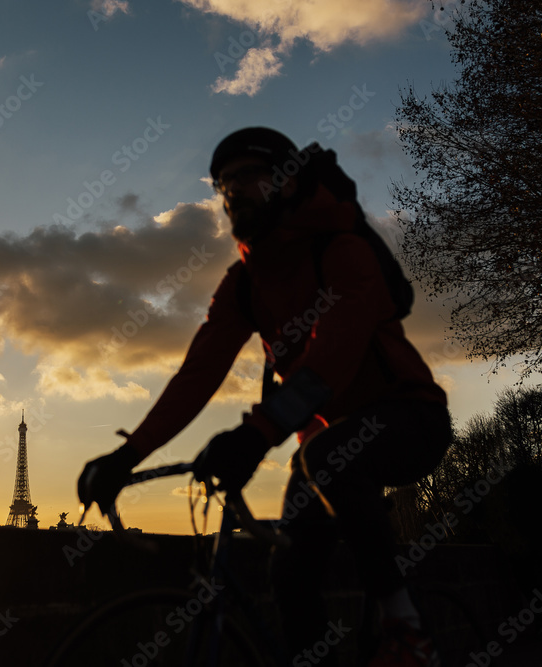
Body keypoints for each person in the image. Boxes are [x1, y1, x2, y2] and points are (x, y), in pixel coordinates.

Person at [77, 127, 451, 667]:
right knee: (289, 577)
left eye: (250, 177)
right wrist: (127, 455)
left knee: (322, 456)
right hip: (323, 438)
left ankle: (405, 625)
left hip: (409, 416)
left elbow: (334, 356)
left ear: (288, 181)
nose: (234, 194)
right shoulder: (243, 284)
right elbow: (197, 374)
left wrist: (258, 433)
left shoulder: (342, 250)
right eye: (224, 185)